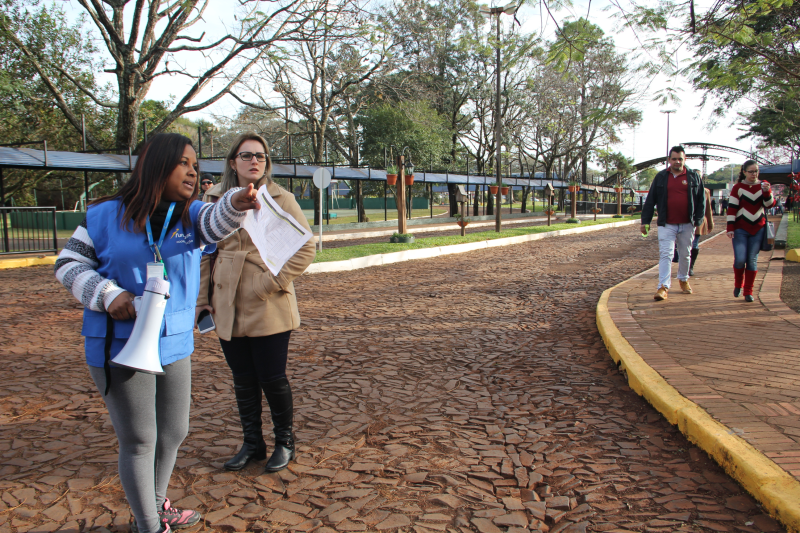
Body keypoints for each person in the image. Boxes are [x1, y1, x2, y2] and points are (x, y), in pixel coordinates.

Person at [54, 133, 260, 533]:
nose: (192, 170)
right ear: (156, 164)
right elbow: (68, 264)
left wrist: (235, 203)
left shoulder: (190, 215)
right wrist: (106, 294)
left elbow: (215, 221)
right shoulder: (103, 216)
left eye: (195, 165)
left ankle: (153, 505)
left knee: (173, 431)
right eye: (183, 162)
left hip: (174, 341)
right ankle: (149, 525)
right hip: (120, 344)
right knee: (140, 438)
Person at [197, 133, 316, 473]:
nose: (254, 161)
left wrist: (270, 283)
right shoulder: (212, 198)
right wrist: (201, 301)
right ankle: (252, 443)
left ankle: (285, 442)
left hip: (267, 298)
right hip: (225, 298)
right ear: (233, 161)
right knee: (242, 378)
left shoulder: (281, 198)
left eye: (261, 156)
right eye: (246, 155)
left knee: (272, 376)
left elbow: (305, 247)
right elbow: (206, 252)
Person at [640, 146, 706, 300]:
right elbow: (651, 200)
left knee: (685, 254)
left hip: (687, 223)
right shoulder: (661, 177)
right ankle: (663, 287)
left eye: (680, 159)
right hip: (666, 223)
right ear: (669, 160)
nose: (677, 162)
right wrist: (645, 222)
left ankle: (683, 279)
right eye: (674, 159)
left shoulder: (693, 177)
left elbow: (701, 200)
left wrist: (698, 220)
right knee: (666, 254)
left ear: (685, 160)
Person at [727, 160, 773, 302]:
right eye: (751, 171)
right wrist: (730, 227)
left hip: (758, 228)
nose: (754, 174)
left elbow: (769, 205)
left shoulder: (763, 185)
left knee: (752, 261)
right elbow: (732, 208)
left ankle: (748, 291)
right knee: (740, 259)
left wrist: (767, 192)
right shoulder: (738, 187)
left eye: (756, 171)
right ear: (745, 172)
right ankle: (738, 285)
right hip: (741, 228)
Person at [689, 185, 715, 276]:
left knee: (694, 244)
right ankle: (684, 265)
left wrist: (710, 223)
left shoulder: (705, 191)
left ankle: (690, 266)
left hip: (698, 221)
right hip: (686, 221)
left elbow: (708, 208)